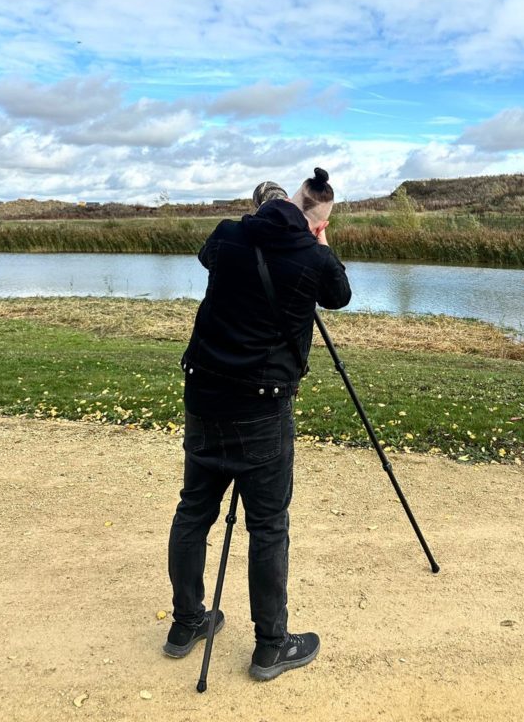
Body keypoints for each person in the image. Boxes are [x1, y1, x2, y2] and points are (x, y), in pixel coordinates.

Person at [165, 167, 352, 681]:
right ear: (317, 216)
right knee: (268, 526)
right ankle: (271, 645)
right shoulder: (313, 257)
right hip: (263, 409)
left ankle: (186, 624)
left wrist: (274, 223)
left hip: (204, 396)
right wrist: (318, 238)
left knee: (194, 510)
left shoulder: (229, 234)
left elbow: (210, 258)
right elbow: (339, 294)